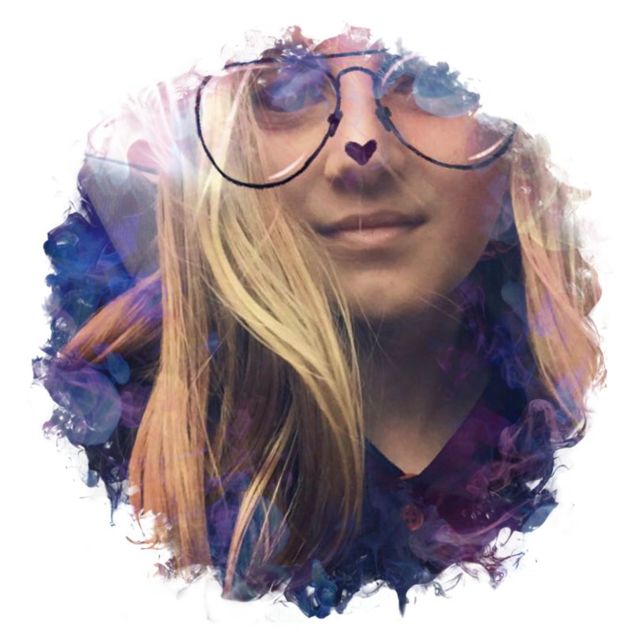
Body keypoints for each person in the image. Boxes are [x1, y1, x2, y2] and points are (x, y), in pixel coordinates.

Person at [32, 24, 606, 618]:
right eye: (284, 90)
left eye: (431, 78)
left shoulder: (588, 444)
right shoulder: (107, 439)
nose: (361, 144)